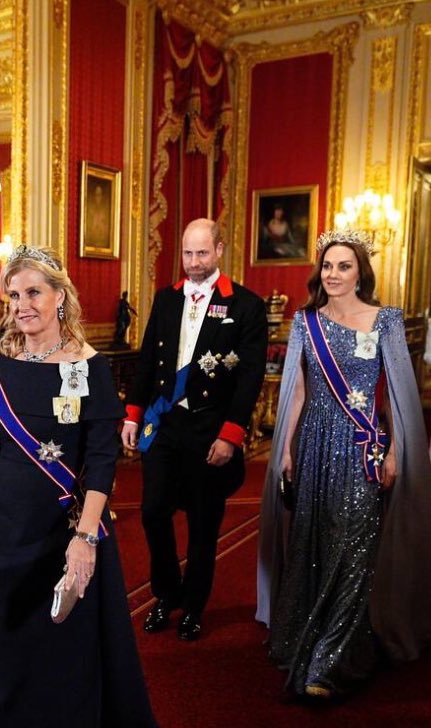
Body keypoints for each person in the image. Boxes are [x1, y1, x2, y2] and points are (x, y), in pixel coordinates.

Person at [0, 245, 180, 728]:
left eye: (33, 293)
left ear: (60, 297)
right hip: (6, 525)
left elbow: (101, 458)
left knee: (54, 650)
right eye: (13, 295)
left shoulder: (88, 366)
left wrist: (85, 538)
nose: (22, 305)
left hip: (65, 528)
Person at [256, 229, 431, 699]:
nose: (333, 275)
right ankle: (303, 639)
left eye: (344, 267)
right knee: (312, 537)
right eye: (328, 266)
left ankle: (329, 661)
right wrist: (286, 448)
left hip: (362, 446)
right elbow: (295, 390)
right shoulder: (305, 322)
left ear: (360, 273)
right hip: (313, 443)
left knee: (355, 545)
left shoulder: (385, 321)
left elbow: (394, 393)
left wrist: (395, 448)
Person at [122, 219, 267, 641]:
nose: (194, 262)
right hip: (165, 423)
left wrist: (231, 434)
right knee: (152, 512)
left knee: (204, 525)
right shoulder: (167, 300)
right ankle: (167, 594)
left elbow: (250, 376)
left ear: (220, 250)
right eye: (187, 253)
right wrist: (133, 414)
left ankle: (194, 606)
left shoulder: (244, 305)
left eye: (202, 253)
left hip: (210, 428)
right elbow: (149, 358)